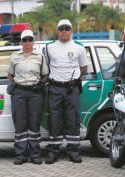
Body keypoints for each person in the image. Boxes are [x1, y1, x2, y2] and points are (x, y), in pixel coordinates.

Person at [44, 19, 88, 164]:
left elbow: (83, 68)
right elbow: (46, 68)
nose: (64, 31)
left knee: (72, 119)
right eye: (61, 28)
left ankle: (73, 151)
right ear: (57, 31)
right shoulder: (49, 47)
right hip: (55, 88)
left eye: (67, 28)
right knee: (54, 119)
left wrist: (73, 80)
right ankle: (53, 151)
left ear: (71, 30)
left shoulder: (79, 47)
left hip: (72, 89)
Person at [7, 29, 49, 165]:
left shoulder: (40, 56)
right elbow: (10, 75)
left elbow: (45, 74)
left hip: (35, 93)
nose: (28, 42)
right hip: (19, 93)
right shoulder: (15, 56)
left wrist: (41, 83)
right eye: (25, 40)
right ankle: (20, 155)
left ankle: (35, 154)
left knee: (34, 123)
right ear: (21, 42)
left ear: (33, 41)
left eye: (30, 39)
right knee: (20, 124)